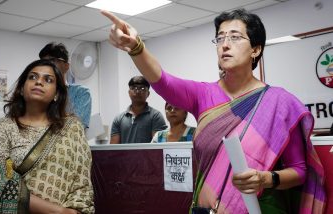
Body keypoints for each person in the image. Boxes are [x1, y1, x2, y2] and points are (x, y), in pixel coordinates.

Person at [101, 9, 326, 213]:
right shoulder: (203, 94)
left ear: (256, 49)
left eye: (235, 37)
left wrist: (265, 178)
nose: (225, 44)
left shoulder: (280, 103)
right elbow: (163, 81)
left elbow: (300, 171)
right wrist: (135, 46)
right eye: (220, 38)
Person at [0, 59, 94, 213]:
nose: (39, 82)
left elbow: (82, 182)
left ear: (57, 94)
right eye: (32, 77)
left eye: (48, 80)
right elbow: (2, 183)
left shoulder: (72, 127)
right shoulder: (3, 128)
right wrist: (59, 212)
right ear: (22, 89)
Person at [39, 42, 92, 128]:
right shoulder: (39, 92)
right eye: (43, 63)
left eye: (52, 61)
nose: (47, 66)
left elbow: (77, 126)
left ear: (66, 66)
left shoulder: (80, 92)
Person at [110, 75, 167, 144]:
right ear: (129, 92)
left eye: (142, 88)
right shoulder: (118, 119)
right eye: (133, 88)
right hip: (124, 155)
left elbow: (159, 146)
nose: (137, 91)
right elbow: (113, 149)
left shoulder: (156, 116)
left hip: (148, 155)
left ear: (148, 93)